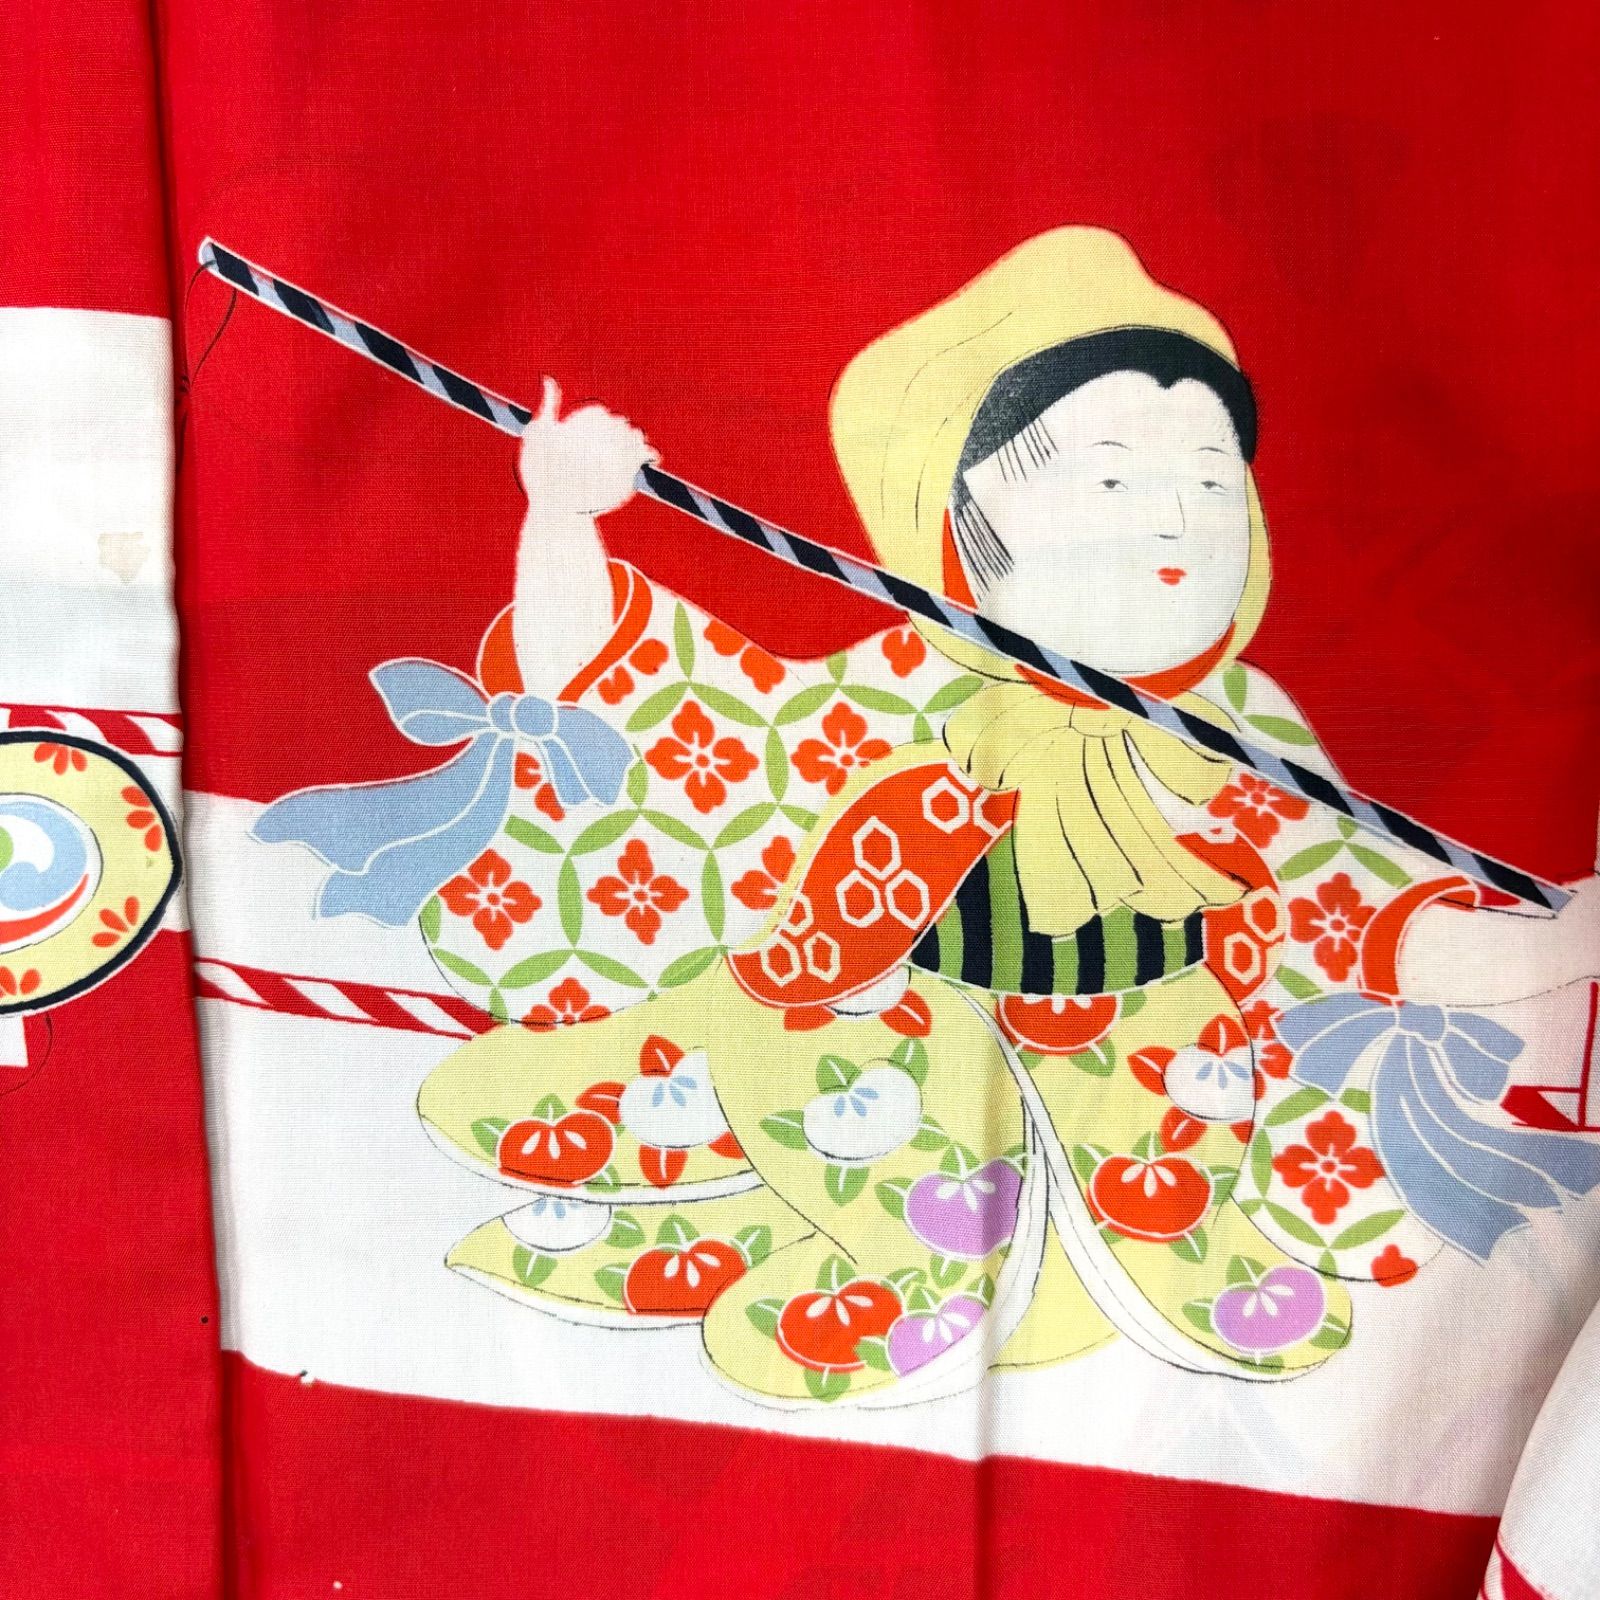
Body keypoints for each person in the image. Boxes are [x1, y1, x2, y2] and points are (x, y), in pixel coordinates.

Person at [261, 227, 1600, 1407]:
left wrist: (1564, 941)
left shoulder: (1239, 740)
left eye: (1209, 480)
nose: (1175, 519)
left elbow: (1364, 911)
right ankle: (882, 1270)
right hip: (882, 1025)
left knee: (1209, 1201)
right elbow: (640, 693)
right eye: (1113, 480)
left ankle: (1129, 1267)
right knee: (836, 1102)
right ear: (953, 509)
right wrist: (562, 515)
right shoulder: (891, 691)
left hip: (1154, 1059)